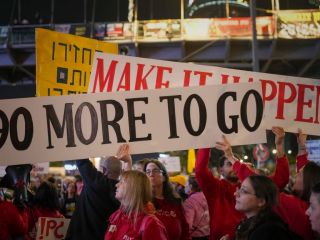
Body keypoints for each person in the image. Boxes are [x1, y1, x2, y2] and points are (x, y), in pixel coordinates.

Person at [66, 144, 132, 240]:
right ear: (120, 171)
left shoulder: (94, 180)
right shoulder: (124, 193)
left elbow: (81, 159)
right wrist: (128, 162)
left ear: (104, 170)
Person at [195, 146, 243, 240]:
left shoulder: (250, 187)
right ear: (221, 170)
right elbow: (200, 171)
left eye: (236, 164)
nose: (235, 167)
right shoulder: (215, 187)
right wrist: (205, 144)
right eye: (230, 164)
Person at [104, 170, 168, 239]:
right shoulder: (116, 216)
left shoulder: (151, 224)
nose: (116, 185)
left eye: (121, 182)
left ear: (134, 188)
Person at [234, 175, 292, 240]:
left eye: (244, 191)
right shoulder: (247, 222)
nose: (235, 194)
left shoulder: (267, 231)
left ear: (261, 201)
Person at [144, 159, 190, 240]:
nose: (151, 174)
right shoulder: (142, 201)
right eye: (148, 172)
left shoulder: (175, 201)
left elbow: (185, 230)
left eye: (155, 170)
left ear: (164, 177)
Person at [183, 175, 210, 240]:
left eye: (186, 184)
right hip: (208, 234)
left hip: (196, 236)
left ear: (191, 186)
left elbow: (188, 224)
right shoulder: (207, 196)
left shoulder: (190, 201)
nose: (185, 186)